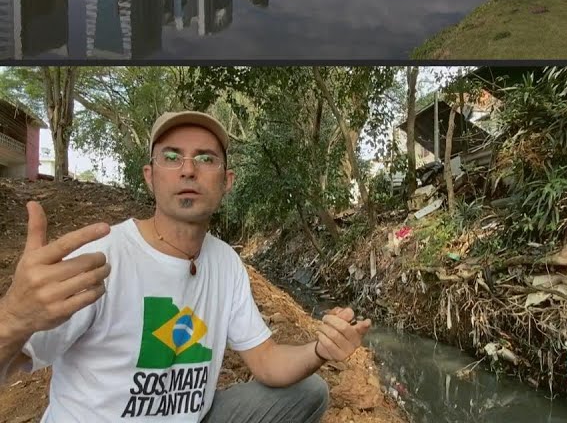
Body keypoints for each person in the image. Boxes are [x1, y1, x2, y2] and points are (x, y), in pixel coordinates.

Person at [0, 111, 373, 422]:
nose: (189, 170)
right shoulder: (102, 256)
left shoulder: (225, 262)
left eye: (206, 158)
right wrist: (13, 318)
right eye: (172, 156)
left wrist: (321, 350)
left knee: (308, 392)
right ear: (150, 176)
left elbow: (268, 361)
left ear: (226, 182)